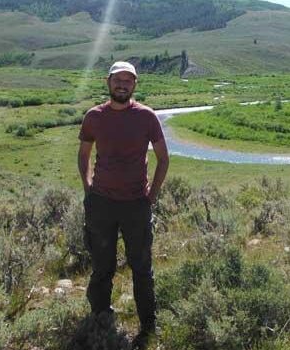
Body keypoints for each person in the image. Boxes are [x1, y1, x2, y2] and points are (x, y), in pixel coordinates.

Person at [77, 61, 169, 347]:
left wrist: (150, 197)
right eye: (118, 80)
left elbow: (163, 159)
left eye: (128, 81)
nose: (122, 85)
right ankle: (101, 319)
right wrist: (88, 188)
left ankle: (148, 327)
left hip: (135, 205)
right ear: (108, 82)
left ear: (135, 85)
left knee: (142, 268)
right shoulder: (94, 116)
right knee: (102, 267)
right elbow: (83, 155)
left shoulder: (147, 117)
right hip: (101, 204)